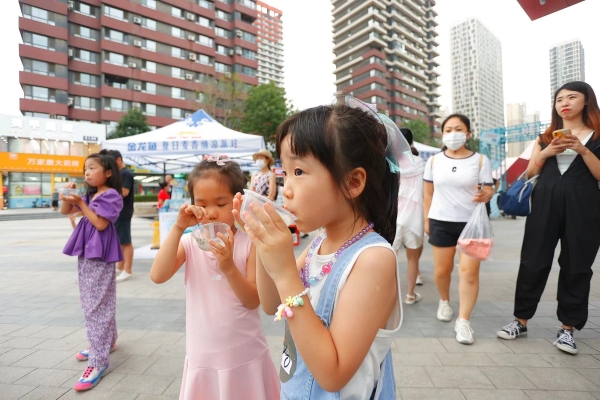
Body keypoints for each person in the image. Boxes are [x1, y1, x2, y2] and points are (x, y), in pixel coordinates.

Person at [233, 100, 402, 399]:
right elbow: (271, 303)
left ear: (352, 182)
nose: (285, 188)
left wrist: (286, 270)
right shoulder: (320, 242)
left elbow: (332, 374)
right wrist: (261, 240)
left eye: (298, 171)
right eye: (284, 173)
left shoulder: (373, 259)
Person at [150, 156, 279, 400]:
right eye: (202, 204)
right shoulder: (189, 243)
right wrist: (178, 228)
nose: (210, 213)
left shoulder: (249, 244)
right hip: (203, 355)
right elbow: (158, 275)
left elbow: (253, 300)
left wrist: (229, 266)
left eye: (220, 204)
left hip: (244, 354)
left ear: (236, 203)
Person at [497, 81, 600, 354]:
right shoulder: (545, 138)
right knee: (533, 260)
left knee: (577, 265)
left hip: (585, 208)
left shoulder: (597, 136)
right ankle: (521, 321)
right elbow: (529, 173)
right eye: (559, 99)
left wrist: (582, 149)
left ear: (587, 101)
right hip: (545, 205)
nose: (564, 102)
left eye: (572, 97)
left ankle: (568, 329)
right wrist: (545, 152)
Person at [423, 114, 494, 345]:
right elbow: (428, 194)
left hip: (472, 223)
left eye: (458, 129)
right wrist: (426, 219)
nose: (453, 134)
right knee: (442, 271)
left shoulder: (481, 161)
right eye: (448, 130)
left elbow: (489, 190)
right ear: (442, 134)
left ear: (468, 134)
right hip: (441, 221)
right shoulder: (433, 161)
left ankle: (463, 320)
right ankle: (444, 300)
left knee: (468, 273)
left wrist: (487, 194)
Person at [60, 152, 123, 391]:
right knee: (97, 300)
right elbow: (65, 211)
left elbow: (100, 223)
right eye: (85, 168)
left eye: (92, 168)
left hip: (100, 254)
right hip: (88, 253)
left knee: (95, 304)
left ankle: (98, 361)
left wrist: (82, 203)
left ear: (108, 172)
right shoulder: (89, 193)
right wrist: (68, 196)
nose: (87, 172)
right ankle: (106, 341)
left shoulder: (111, 195)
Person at [394, 128, 426, 304]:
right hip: (415, 216)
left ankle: (390, 296)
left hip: (393, 217)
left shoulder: (391, 163)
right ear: (411, 142)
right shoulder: (421, 163)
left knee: (391, 258)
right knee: (413, 259)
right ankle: (410, 295)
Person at [103, 149, 135, 283]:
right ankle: (120, 266)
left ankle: (127, 270)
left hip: (124, 210)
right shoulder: (119, 174)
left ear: (119, 160)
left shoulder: (126, 174)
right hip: (117, 211)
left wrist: (107, 191)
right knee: (120, 240)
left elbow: (125, 192)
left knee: (126, 240)